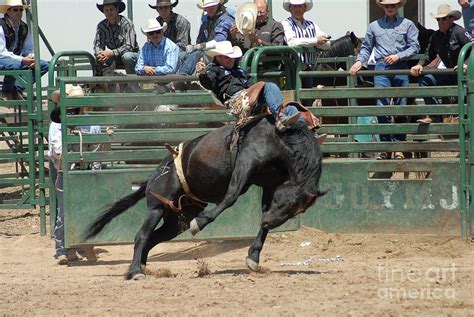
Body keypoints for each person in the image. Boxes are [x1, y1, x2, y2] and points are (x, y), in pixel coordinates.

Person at [349, 0, 419, 160]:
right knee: (382, 106)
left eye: (393, 5)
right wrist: (359, 62)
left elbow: (415, 46)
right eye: (387, 5)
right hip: (381, 67)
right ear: (383, 7)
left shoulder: (408, 24)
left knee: (402, 105)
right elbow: (366, 47)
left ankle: (399, 147)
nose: (390, 8)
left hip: (401, 66)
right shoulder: (374, 26)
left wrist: (398, 56)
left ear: (398, 6)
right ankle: (386, 147)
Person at [196, 40, 303, 130]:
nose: (230, 59)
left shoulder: (240, 71)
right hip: (237, 101)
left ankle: (305, 131)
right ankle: (280, 117)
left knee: (292, 109)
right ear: (218, 58)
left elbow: (251, 84)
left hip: (250, 96)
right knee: (269, 86)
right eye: (226, 57)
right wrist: (203, 74)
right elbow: (208, 83)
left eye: (231, 56)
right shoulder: (215, 70)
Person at [48, 85, 100, 265]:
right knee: (64, 211)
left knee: (85, 209)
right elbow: (56, 151)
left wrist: (93, 171)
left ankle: (80, 244)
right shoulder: (57, 124)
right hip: (65, 170)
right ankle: (63, 248)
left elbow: (96, 150)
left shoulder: (91, 123)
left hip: (83, 171)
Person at [410, 4, 474, 124]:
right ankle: (435, 115)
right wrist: (420, 64)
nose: (441, 22)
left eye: (444, 19)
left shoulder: (460, 32)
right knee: (425, 81)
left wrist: (466, 63)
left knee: (468, 88)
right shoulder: (436, 36)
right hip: (451, 73)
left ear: (451, 19)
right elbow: (429, 54)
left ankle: (465, 115)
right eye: (438, 19)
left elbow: (473, 47)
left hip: (466, 74)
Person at [281, 0, 331, 105]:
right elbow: (292, 42)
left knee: (307, 100)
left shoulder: (311, 25)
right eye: (294, 6)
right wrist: (315, 41)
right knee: (294, 100)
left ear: (305, 8)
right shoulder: (286, 23)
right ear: (290, 8)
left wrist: (318, 42)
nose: (297, 9)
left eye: (300, 6)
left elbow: (327, 43)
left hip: (308, 69)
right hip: (292, 69)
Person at [0, 0, 48, 100]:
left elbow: (28, 48)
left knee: (43, 65)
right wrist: (22, 60)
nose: (19, 12)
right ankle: (6, 92)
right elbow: (1, 52)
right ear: (8, 12)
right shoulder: (1, 26)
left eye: (21, 10)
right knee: (15, 65)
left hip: (13, 59)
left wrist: (32, 58)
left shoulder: (23, 27)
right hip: (3, 58)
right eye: (15, 10)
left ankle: (16, 89)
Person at [177, 0, 234, 75]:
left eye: (212, 6)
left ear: (218, 5)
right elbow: (200, 39)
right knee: (182, 55)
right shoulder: (206, 20)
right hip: (208, 53)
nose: (210, 8)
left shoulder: (226, 19)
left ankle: (181, 78)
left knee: (196, 54)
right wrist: (196, 47)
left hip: (222, 54)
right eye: (207, 6)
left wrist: (199, 47)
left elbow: (220, 40)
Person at [93, 0, 139, 75]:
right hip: (113, 57)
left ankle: (133, 84)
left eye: (111, 9)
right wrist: (100, 54)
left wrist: (111, 53)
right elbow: (97, 45)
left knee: (127, 57)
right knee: (99, 59)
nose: (109, 12)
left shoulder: (127, 23)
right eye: (106, 10)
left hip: (132, 55)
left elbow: (129, 46)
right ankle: (103, 84)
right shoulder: (101, 26)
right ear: (103, 12)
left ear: (117, 9)